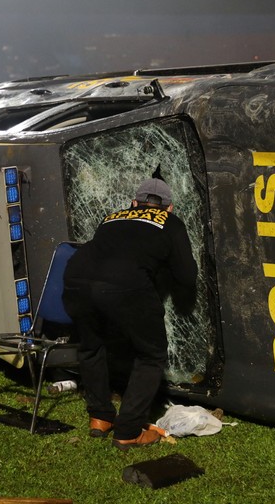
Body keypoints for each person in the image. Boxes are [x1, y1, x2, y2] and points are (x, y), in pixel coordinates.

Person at [62, 176, 198, 450]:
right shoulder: (170, 222)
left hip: (75, 278)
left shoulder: (112, 217)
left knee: (91, 347)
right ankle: (128, 431)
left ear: (134, 203)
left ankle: (100, 417)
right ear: (169, 208)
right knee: (151, 355)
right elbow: (187, 275)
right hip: (123, 285)